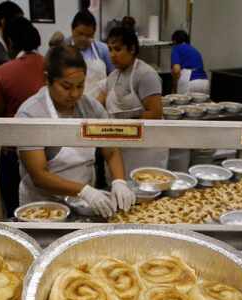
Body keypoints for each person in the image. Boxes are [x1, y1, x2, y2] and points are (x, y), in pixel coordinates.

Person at [16, 46, 135, 217]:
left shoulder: (90, 107)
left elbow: (111, 149)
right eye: (66, 86)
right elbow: (39, 176)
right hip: (43, 207)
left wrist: (119, 181)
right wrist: (85, 191)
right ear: (47, 79)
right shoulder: (31, 114)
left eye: (80, 86)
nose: (74, 94)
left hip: (83, 204)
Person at [0, 17, 45, 217]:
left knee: (16, 212)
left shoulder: (1, 74)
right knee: (50, 210)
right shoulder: (50, 66)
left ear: (9, 42)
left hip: (14, 152)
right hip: (51, 148)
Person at [97, 26, 167, 172]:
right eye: (110, 49)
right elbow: (98, 104)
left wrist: (124, 119)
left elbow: (155, 114)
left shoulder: (145, 75)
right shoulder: (113, 76)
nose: (112, 55)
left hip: (144, 152)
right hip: (121, 148)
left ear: (132, 49)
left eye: (117, 49)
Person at [68, 10, 113, 97]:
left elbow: (113, 78)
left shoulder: (103, 50)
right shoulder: (63, 50)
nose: (84, 39)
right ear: (72, 29)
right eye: (80, 34)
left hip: (100, 103)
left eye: (89, 36)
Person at [170, 30, 209, 95]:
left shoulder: (177, 49)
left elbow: (176, 70)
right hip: (204, 82)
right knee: (201, 104)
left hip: (189, 81)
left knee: (182, 104)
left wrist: (174, 87)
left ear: (174, 41)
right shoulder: (194, 50)